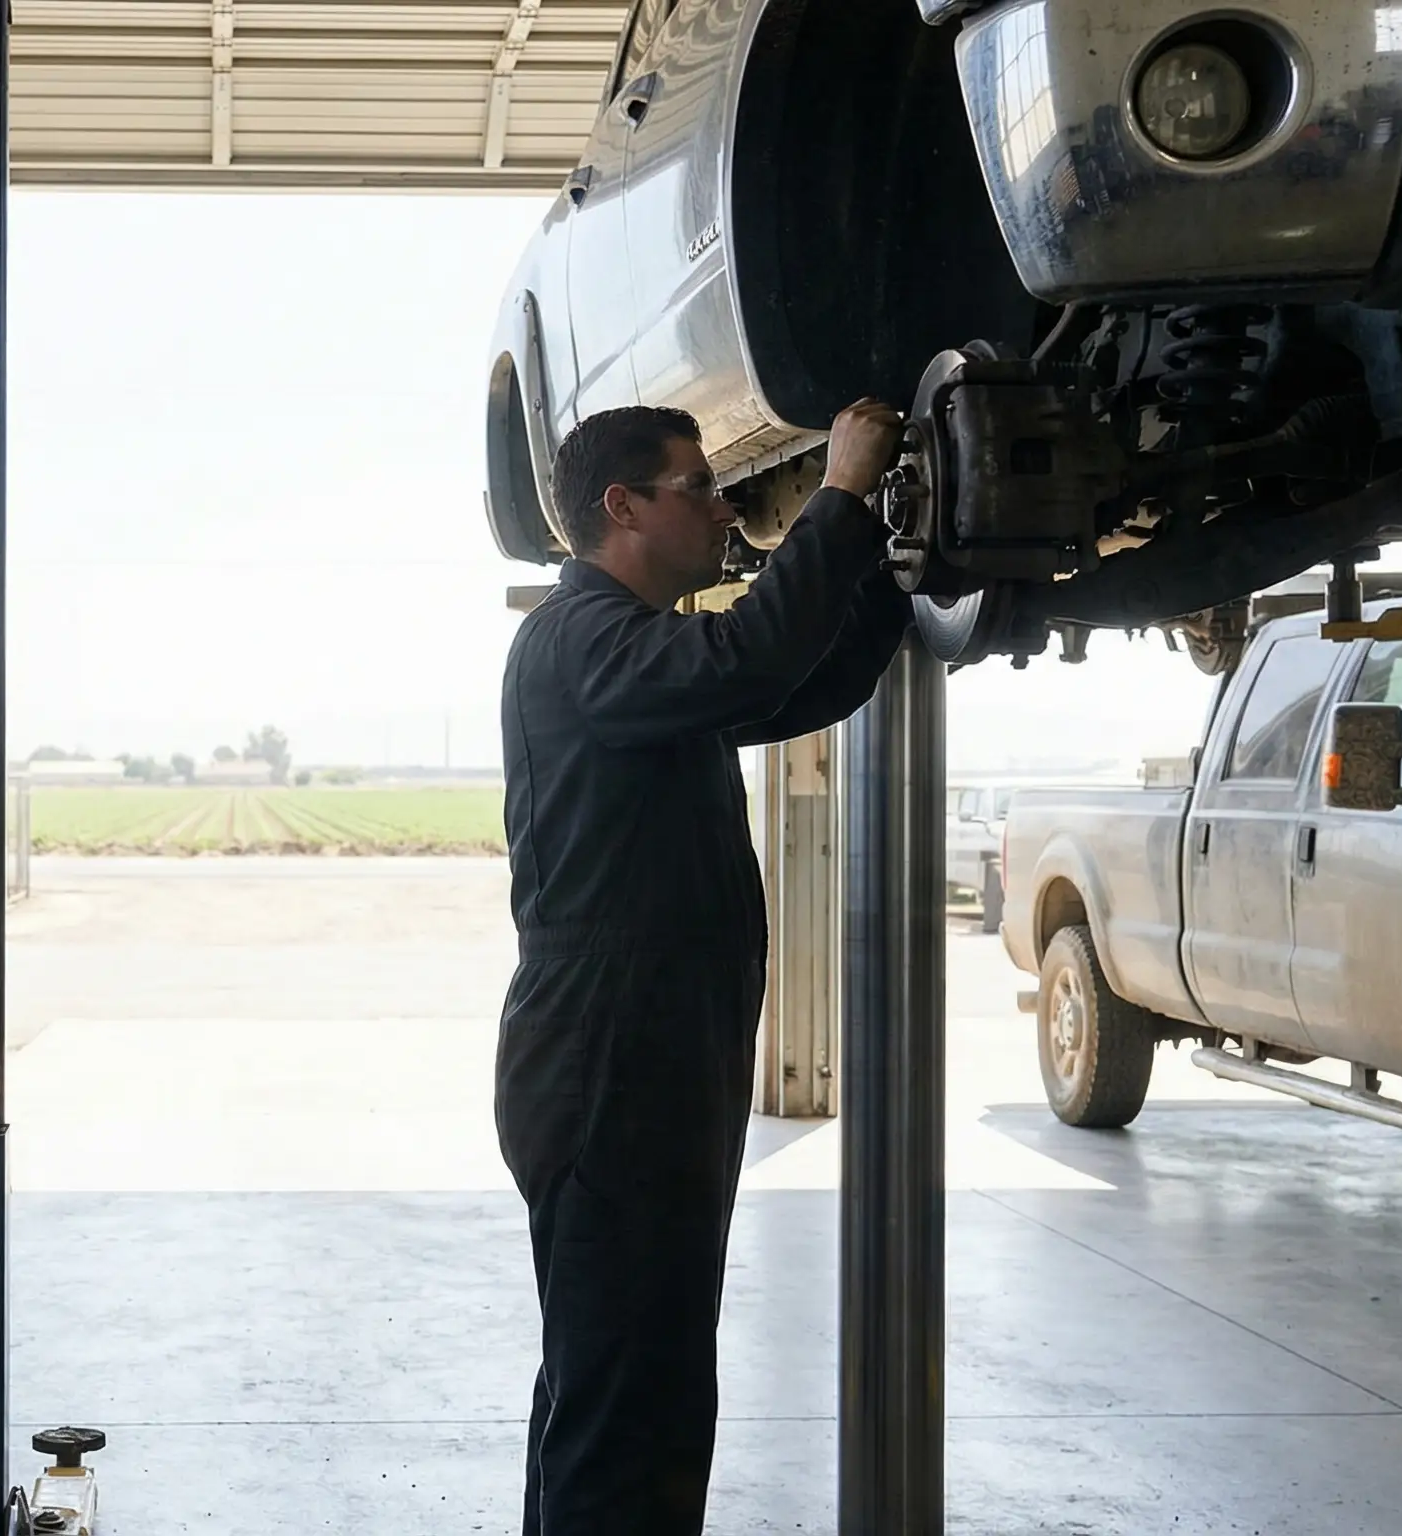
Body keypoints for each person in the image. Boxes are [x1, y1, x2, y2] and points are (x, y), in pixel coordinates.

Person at [496, 399, 912, 1534]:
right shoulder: (582, 637)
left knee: (630, 1383)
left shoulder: (637, 662)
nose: (724, 508)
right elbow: (746, 655)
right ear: (621, 506)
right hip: (609, 1065)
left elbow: (789, 684)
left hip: (640, 1060)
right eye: (697, 486)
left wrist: (883, 574)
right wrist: (835, 495)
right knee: (630, 1401)